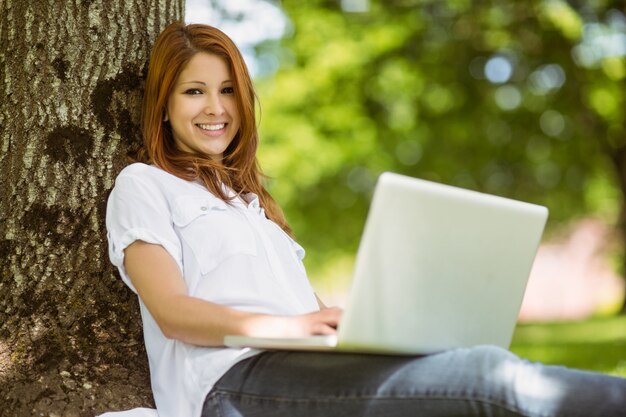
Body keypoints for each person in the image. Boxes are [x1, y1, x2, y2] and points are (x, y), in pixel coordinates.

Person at [105, 21, 626, 417]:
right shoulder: (145, 185)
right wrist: (289, 326)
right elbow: (172, 311)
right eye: (194, 91)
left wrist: (357, 324)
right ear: (164, 105)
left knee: (468, 363)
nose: (215, 108)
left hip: (303, 366)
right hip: (229, 383)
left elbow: (310, 316)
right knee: (490, 379)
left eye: (227, 91)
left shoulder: (254, 206)